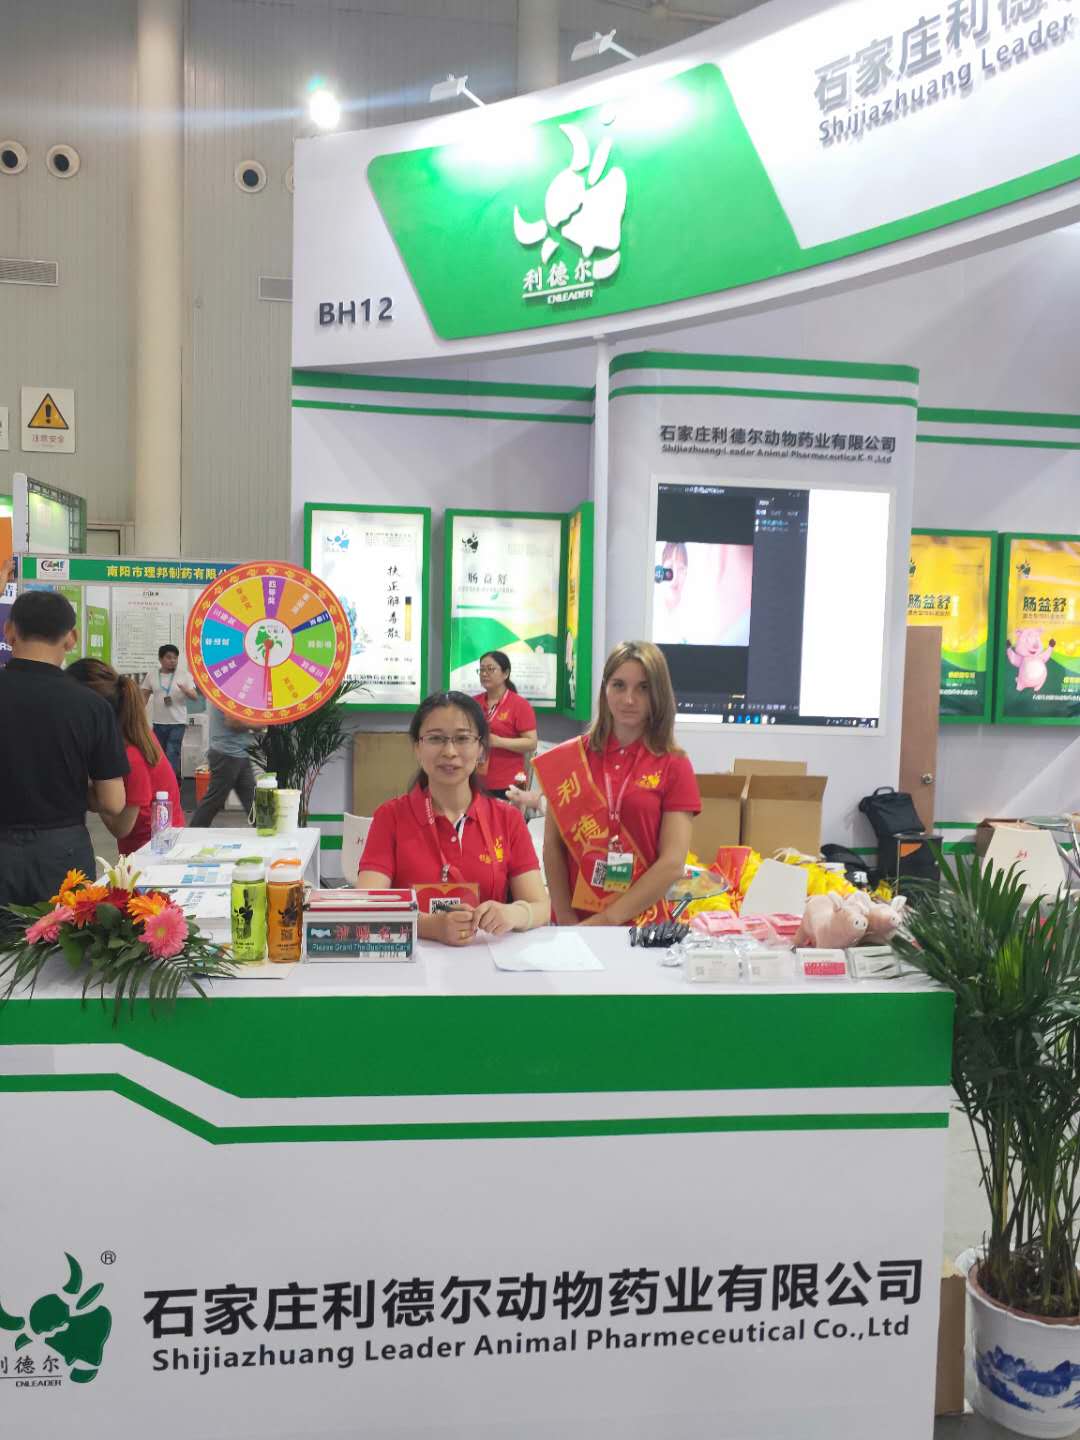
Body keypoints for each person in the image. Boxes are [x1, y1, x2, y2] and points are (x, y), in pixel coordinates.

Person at [357, 691, 549, 946]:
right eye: (435, 738)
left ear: (481, 749)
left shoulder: (507, 819)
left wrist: (513, 913)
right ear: (417, 748)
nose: (449, 751)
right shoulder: (390, 817)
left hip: (487, 962)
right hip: (413, 962)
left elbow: (541, 907)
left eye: (462, 738)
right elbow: (367, 906)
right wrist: (429, 926)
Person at [536, 640, 700, 927]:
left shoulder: (674, 764)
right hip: (573, 924)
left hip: (642, 926)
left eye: (643, 688)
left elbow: (672, 863)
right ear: (605, 689)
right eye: (619, 685)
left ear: (659, 693)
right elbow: (553, 846)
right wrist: (565, 919)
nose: (629, 699)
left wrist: (605, 920)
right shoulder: (570, 758)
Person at [0, 591, 128, 909]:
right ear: (71, 638)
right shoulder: (92, 707)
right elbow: (113, 802)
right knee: (62, 937)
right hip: (62, 852)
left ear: (9, 631)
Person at [68, 659, 185, 856]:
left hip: (150, 855)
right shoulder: (136, 734)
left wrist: (94, 793)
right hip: (154, 848)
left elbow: (121, 828)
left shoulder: (131, 756)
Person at [474, 650, 538, 799]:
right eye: (481, 670)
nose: (484, 674)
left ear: (505, 673)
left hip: (508, 782)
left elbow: (531, 743)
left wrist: (498, 741)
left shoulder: (519, 705)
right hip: (476, 779)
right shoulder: (473, 703)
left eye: (490, 669)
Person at [189, 702, 261, 828]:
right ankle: (193, 832)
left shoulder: (236, 695)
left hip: (239, 753)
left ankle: (264, 831)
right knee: (214, 800)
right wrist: (256, 724)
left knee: (251, 799)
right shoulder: (229, 696)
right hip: (226, 754)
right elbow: (232, 722)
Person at [141, 643, 198, 781]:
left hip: (177, 723)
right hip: (158, 722)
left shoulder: (184, 675)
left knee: (172, 753)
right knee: (158, 755)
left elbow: (194, 696)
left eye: (175, 658)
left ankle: (172, 784)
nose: (173, 660)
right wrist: (138, 713)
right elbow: (144, 695)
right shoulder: (152, 675)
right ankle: (162, 782)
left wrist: (185, 690)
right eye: (169, 657)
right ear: (160, 659)